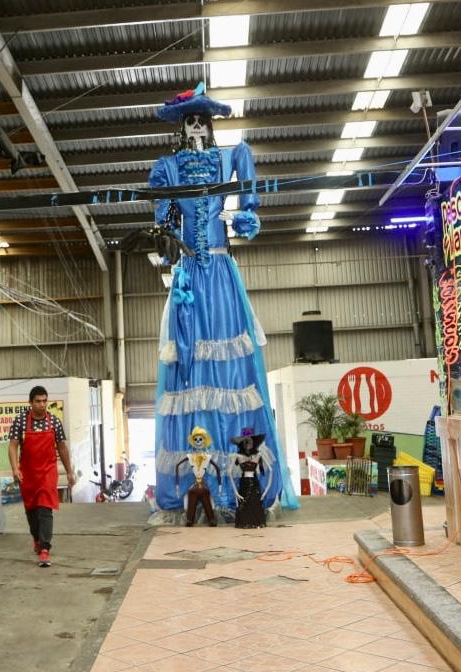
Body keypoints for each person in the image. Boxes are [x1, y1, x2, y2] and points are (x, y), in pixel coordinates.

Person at [149, 82, 299, 516]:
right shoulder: (167, 168)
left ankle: (241, 481)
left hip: (219, 266)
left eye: (202, 119)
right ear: (181, 126)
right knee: (191, 365)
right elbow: (164, 225)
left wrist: (248, 210)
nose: (196, 126)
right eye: (189, 119)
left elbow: (245, 166)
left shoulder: (231, 156)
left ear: (210, 124)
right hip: (189, 275)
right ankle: (198, 478)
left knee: (232, 368)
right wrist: (167, 255)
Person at [8, 386, 75, 567]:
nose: (42, 404)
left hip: (47, 471)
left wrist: (69, 471)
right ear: (30, 403)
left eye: (44, 401)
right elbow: (13, 446)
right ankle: (37, 539)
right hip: (28, 473)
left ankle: (45, 549)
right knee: (31, 509)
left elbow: (61, 447)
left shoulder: (54, 422)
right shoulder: (20, 421)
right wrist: (15, 468)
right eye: (38, 401)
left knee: (45, 507)